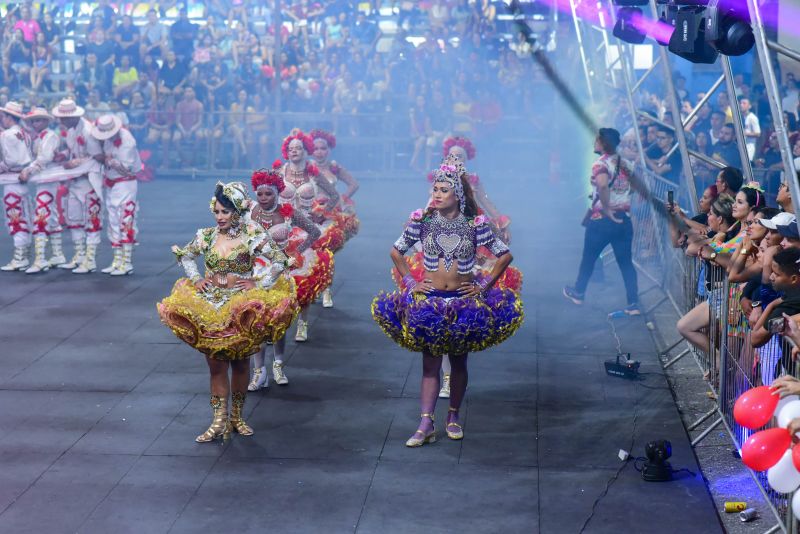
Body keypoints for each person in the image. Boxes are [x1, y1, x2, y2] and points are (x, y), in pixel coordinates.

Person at [372, 154, 523, 446]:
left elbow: (505, 255)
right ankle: (425, 422)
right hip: (430, 302)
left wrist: (483, 284)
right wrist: (410, 282)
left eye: (443, 190)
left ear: (458, 194)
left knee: (458, 362)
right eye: (434, 190)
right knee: (430, 364)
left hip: (463, 303)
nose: (436, 194)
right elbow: (396, 251)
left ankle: (452, 416)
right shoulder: (423, 221)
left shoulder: (474, 224)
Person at [157, 182, 297, 442]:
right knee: (215, 365)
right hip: (211, 306)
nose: (219, 217)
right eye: (217, 212)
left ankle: (237, 418)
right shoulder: (206, 236)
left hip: (241, 306)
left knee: (241, 363)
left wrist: (259, 282)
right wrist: (197, 278)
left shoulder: (251, 234)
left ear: (237, 212)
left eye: (225, 212)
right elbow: (186, 256)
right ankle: (217, 421)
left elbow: (280, 259)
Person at [247, 164, 331, 390]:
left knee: (278, 323)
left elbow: (313, 231)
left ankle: (278, 365)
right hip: (254, 274)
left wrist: (297, 250)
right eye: (260, 194)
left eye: (269, 194)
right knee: (256, 323)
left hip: (280, 275)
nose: (264, 198)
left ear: (277, 193)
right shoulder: (250, 212)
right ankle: (259, 372)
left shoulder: (288, 212)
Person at [564, 128, 642, 315]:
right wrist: (620, 199)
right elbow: (632, 188)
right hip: (623, 219)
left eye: (597, 140)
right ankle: (633, 304)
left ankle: (578, 293)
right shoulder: (626, 164)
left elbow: (603, 184)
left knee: (589, 258)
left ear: (603, 143)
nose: (594, 143)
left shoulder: (600, 164)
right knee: (625, 263)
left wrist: (607, 206)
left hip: (602, 220)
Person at [279, 129, 341, 341]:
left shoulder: (313, 172)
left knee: (303, 279)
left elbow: (334, 195)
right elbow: (265, 196)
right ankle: (275, 322)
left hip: (307, 230)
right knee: (277, 276)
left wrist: (320, 213)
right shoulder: (279, 172)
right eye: (290, 148)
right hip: (281, 230)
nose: (294, 151)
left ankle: (302, 324)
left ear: (306, 150)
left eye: (298, 148)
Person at [51, 98, 104, 274]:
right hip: (75, 181)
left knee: (92, 220)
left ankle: (90, 259)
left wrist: (75, 162)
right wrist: (64, 155)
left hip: (90, 182)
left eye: (64, 118)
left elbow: (98, 157)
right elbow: (72, 150)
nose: (61, 121)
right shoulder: (71, 131)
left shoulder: (89, 131)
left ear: (73, 116)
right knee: (74, 219)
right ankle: (79, 255)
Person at [310, 128, 360, 308]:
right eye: (315, 148)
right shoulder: (306, 167)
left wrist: (342, 199)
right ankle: (313, 288)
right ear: (310, 150)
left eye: (323, 148)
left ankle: (326, 291)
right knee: (311, 256)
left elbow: (354, 184)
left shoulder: (334, 167)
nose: (319, 152)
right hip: (311, 217)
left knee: (328, 255)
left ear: (329, 149)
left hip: (331, 216)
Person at [90, 114, 141, 276]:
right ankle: (117, 260)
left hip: (125, 183)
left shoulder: (127, 142)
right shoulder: (108, 140)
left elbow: (127, 169)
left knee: (125, 219)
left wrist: (110, 161)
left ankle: (126, 262)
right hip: (112, 183)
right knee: (112, 220)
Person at [19, 107, 64, 273]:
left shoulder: (50, 136)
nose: (34, 123)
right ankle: (58, 254)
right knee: (50, 216)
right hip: (42, 179)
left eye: (38, 120)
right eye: (33, 120)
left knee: (41, 215)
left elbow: (43, 159)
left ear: (46, 121)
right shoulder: (37, 137)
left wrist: (28, 170)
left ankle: (40, 259)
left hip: (48, 178)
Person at [0, 101, 34, 271]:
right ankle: (24, 254)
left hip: (13, 179)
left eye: (3, 116)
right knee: (23, 215)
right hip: (23, 178)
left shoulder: (7, 135)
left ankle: (20, 257)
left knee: (15, 217)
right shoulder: (24, 132)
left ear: (8, 117)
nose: (1, 119)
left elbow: (11, 160)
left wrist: (2, 166)